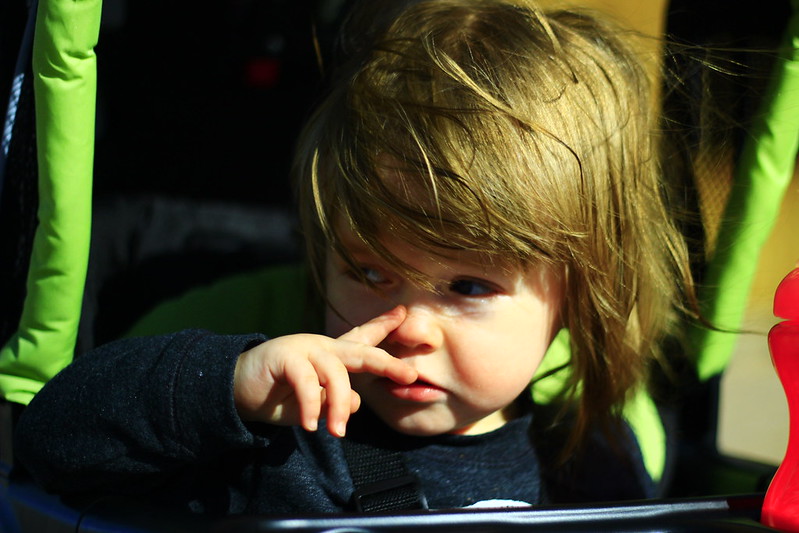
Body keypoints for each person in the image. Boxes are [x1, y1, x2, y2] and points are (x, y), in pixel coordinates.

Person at [14, 0, 699, 516]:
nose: (409, 328)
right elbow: (50, 441)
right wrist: (227, 383)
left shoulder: (594, 464)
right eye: (369, 273)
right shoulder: (287, 438)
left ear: (576, 294)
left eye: (467, 285)